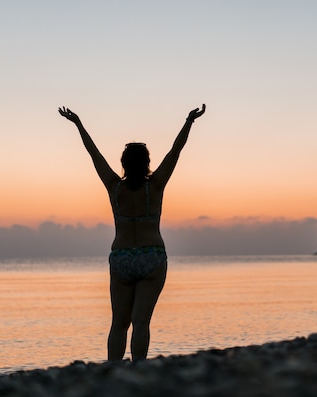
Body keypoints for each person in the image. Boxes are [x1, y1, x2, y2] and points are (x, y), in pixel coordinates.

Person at [58, 104, 206, 360]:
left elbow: (95, 156)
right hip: (152, 256)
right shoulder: (156, 185)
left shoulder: (115, 187)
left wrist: (78, 124)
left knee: (119, 323)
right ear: (147, 162)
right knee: (141, 323)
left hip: (122, 257)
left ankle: (112, 370)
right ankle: (139, 370)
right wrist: (189, 121)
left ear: (123, 163)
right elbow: (175, 151)